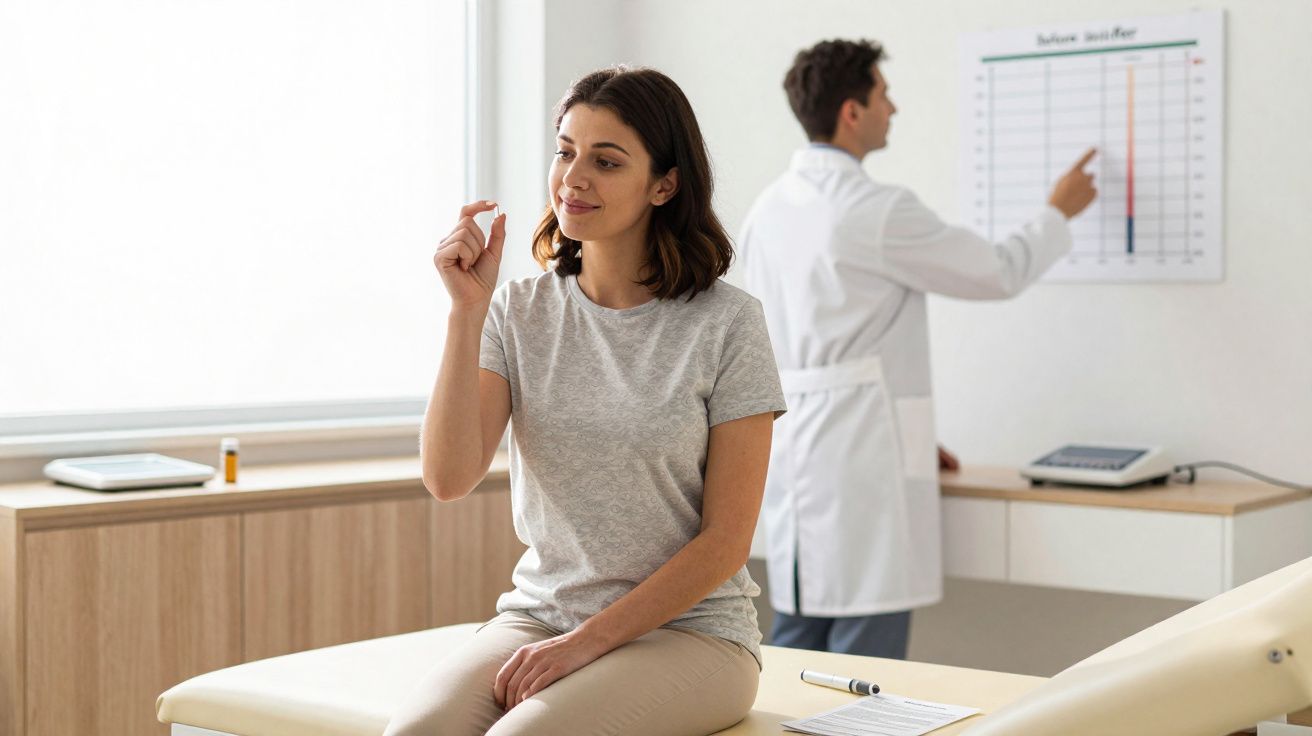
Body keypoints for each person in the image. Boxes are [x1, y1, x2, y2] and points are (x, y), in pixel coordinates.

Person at [386, 67, 787, 736]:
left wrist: (586, 645)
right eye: (566, 149)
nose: (574, 176)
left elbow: (726, 542)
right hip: (540, 614)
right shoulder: (516, 310)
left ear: (665, 184)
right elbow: (449, 477)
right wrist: (466, 312)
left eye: (606, 160)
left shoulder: (728, 325)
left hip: (694, 633)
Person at [740, 38, 1097, 659]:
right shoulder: (875, 210)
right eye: (884, 94)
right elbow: (995, 272)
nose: (894, 108)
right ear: (852, 111)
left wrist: (903, 427)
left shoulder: (765, 211)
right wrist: (1057, 212)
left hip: (796, 453)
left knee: (794, 652)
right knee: (866, 667)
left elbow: (805, 343)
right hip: (860, 462)